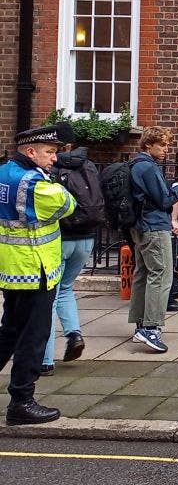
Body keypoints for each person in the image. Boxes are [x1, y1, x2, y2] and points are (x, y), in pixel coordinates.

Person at [0, 124, 76, 424]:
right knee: (34, 336)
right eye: (49, 152)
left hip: (11, 268)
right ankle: (21, 401)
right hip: (36, 268)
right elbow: (68, 205)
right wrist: (55, 183)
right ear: (30, 152)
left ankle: (21, 398)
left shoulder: (4, 173)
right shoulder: (33, 183)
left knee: (10, 331)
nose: (54, 159)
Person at [129, 127, 178, 353]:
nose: (166, 150)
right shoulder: (148, 167)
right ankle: (151, 327)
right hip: (154, 226)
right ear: (149, 144)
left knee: (143, 274)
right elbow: (165, 200)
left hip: (139, 225)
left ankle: (140, 323)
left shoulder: (136, 164)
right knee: (161, 274)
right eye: (163, 145)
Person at [43, 145, 106, 374]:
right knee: (67, 288)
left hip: (61, 238)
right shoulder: (87, 164)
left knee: (49, 296)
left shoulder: (50, 169)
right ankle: (74, 333)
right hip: (87, 238)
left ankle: (45, 359)